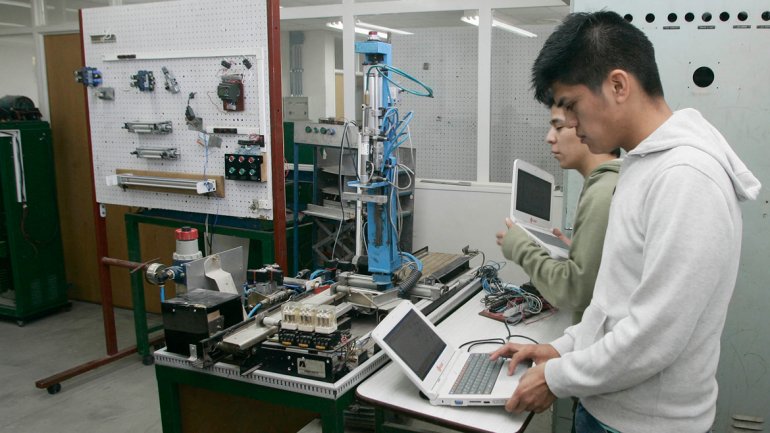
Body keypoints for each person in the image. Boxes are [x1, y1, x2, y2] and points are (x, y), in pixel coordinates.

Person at [490, 11, 761, 433]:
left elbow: (653, 336)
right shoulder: (640, 165)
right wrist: (561, 349)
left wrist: (557, 378)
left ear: (618, 85)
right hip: (611, 409)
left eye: (572, 106)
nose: (570, 126)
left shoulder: (686, 178)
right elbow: (612, 304)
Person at [496, 104, 621, 324]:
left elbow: (573, 292)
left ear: (589, 127)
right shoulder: (611, 181)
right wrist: (579, 252)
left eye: (559, 127)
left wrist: (519, 247)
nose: (549, 138)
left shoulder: (602, 193)